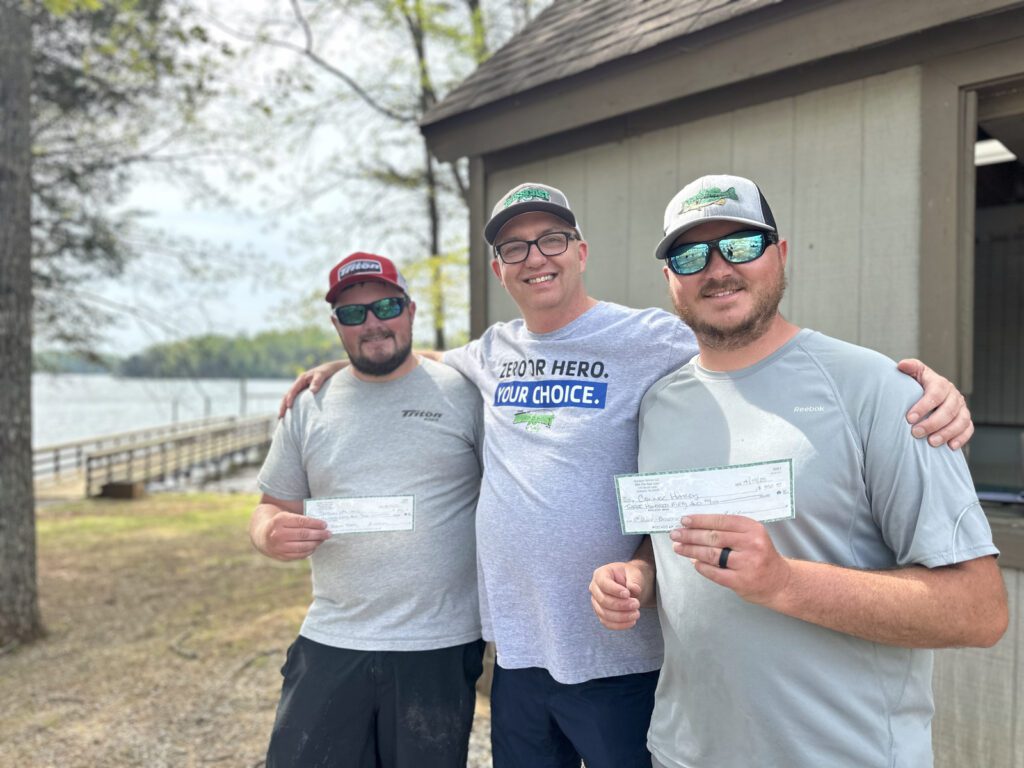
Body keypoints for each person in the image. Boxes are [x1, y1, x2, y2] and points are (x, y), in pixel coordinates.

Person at [284, 184, 975, 768]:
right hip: (519, 655)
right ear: (499, 270)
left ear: (581, 252)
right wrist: (348, 366)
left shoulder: (652, 337)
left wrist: (922, 388)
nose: (536, 257)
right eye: (515, 248)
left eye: (552, 239)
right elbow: (416, 361)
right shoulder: (490, 352)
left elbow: (751, 342)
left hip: (621, 656)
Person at [589, 173, 1008, 768]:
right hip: (683, 753)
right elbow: (677, 544)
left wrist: (784, 581)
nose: (717, 269)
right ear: (670, 280)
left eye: (740, 245)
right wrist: (639, 575)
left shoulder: (880, 392)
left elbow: (979, 611)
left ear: (780, 254)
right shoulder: (658, 404)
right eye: (690, 255)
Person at [251, 252, 485, 768]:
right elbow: (270, 506)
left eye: (386, 307)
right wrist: (269, 533)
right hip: (333, 636)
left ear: (410, 310)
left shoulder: (466, 394)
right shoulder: (309, 404)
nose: (373, 322)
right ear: (337, 325)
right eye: (354, 314)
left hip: (437, 644)